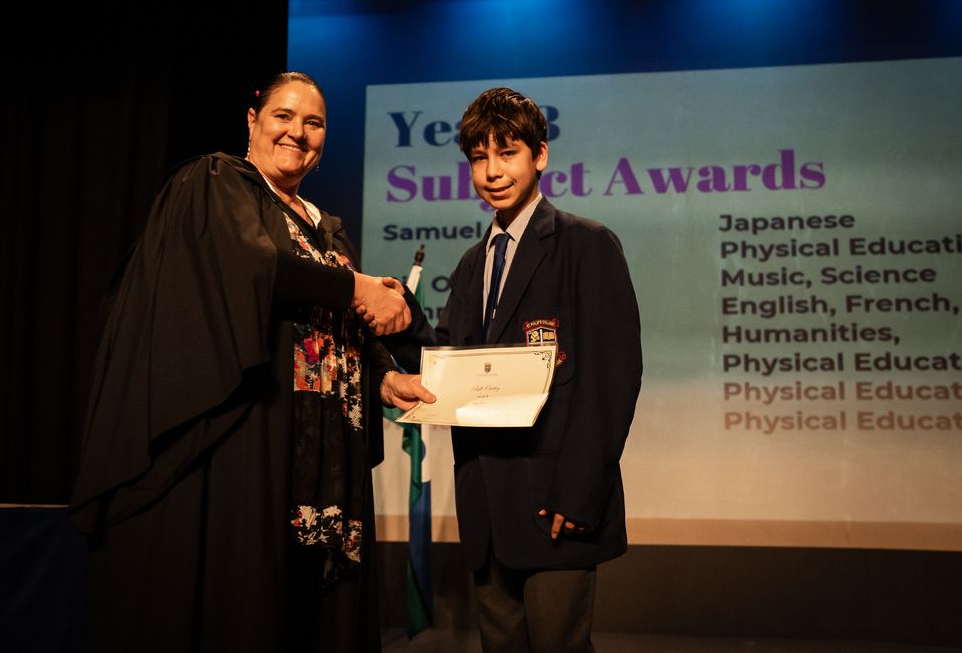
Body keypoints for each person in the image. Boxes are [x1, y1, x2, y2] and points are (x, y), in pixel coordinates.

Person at [69, 72, 423, 652]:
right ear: (253, 121)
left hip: (327, 463)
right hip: (251, 447)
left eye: (313, 123)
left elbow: (334, 327)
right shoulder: (215, 183)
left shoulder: (327, 230)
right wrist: (357, 286)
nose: (297, 132)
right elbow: (254, 266)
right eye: (284, 116)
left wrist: (384, 377)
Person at [379, 87, 642, 653]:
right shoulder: (472, 263)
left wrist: (580, 495)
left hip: (557, 506)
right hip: (487, 510)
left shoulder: (586, 245)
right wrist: (399, 315)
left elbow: (612, 381)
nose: (492, 171)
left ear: (539, 155)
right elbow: (448, 365)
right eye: (479, 158)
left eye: (508, 153)